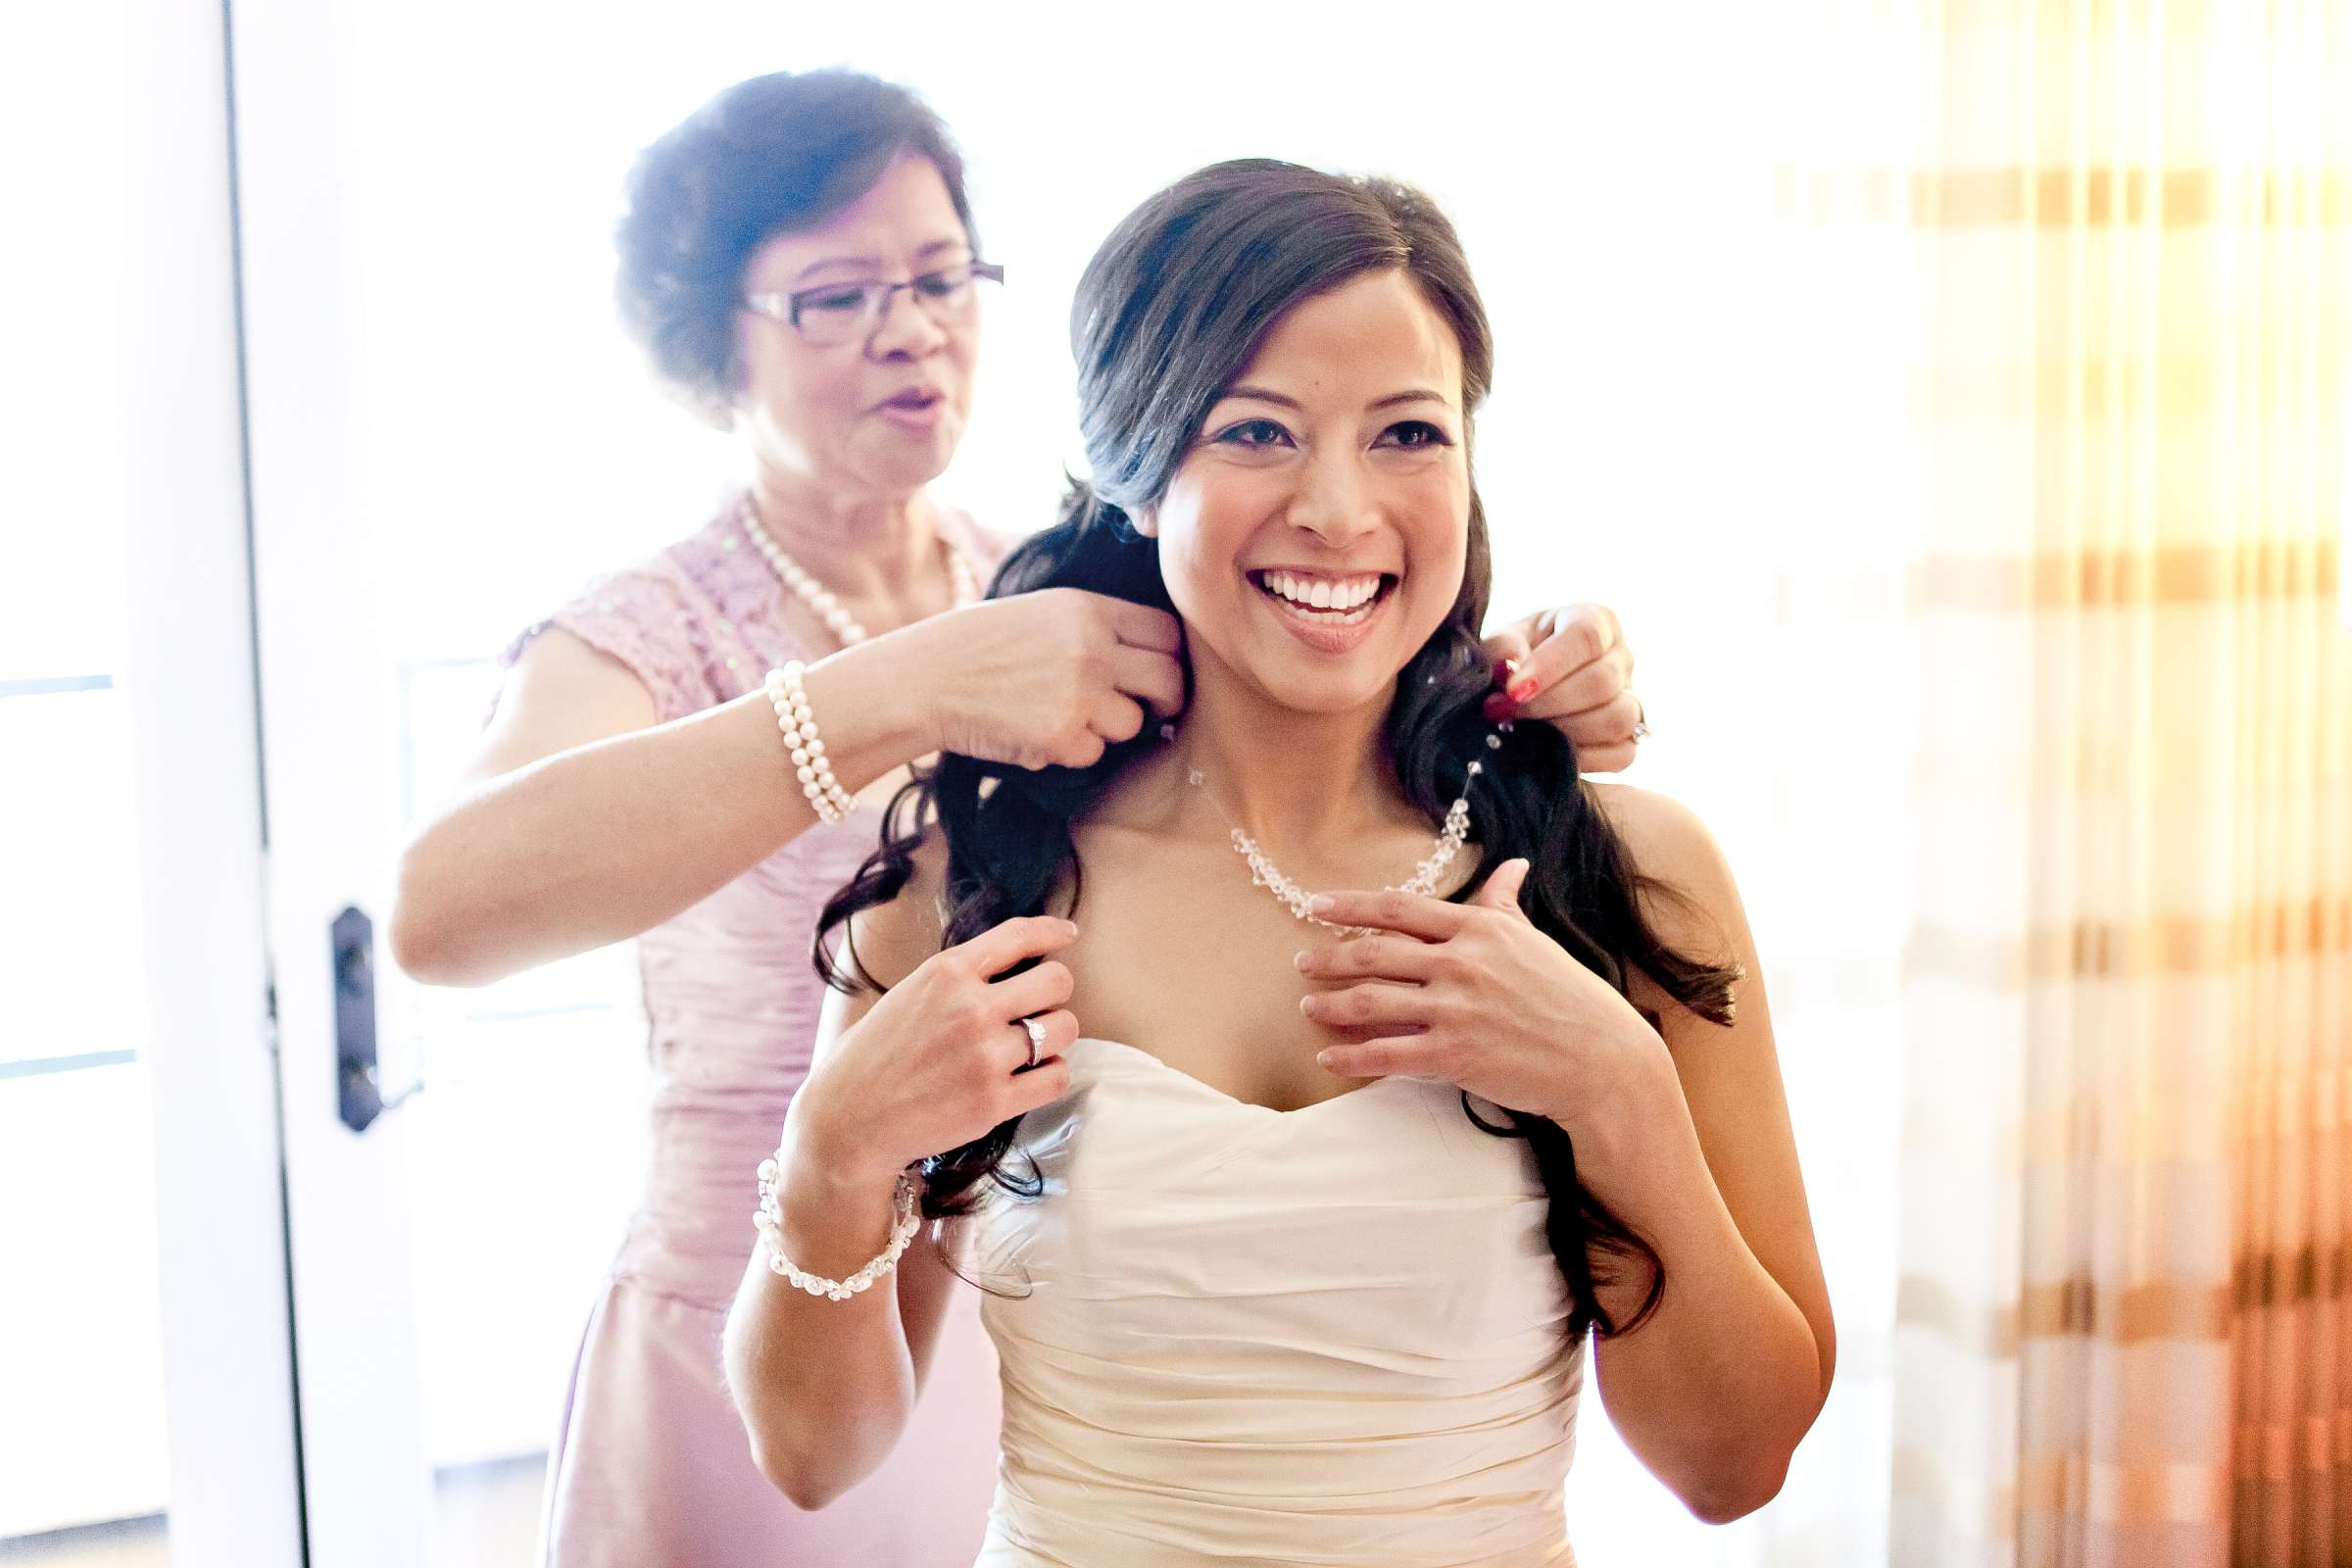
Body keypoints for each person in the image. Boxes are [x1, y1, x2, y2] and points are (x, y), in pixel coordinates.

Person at [388, 74, 1653, 1568]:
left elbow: (1326, 672)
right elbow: (439, 914)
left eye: (939, 276)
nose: (911, 326)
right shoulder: (645, 629)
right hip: (765, 1310)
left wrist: (1534, 690)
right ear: (710, 333)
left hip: (1046, 1306)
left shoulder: (1076, 571)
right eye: (838, 294)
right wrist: (899, 689)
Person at [726, 159, 1837, 1565]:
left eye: (1406, 435)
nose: (1338, 510)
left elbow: (1734, 1469)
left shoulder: (1625, 873)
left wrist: (1616, 1091)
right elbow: (816, 1456)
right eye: (1258, 432)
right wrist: (828, 1154)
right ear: (1137, 467)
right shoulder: (971, 887)